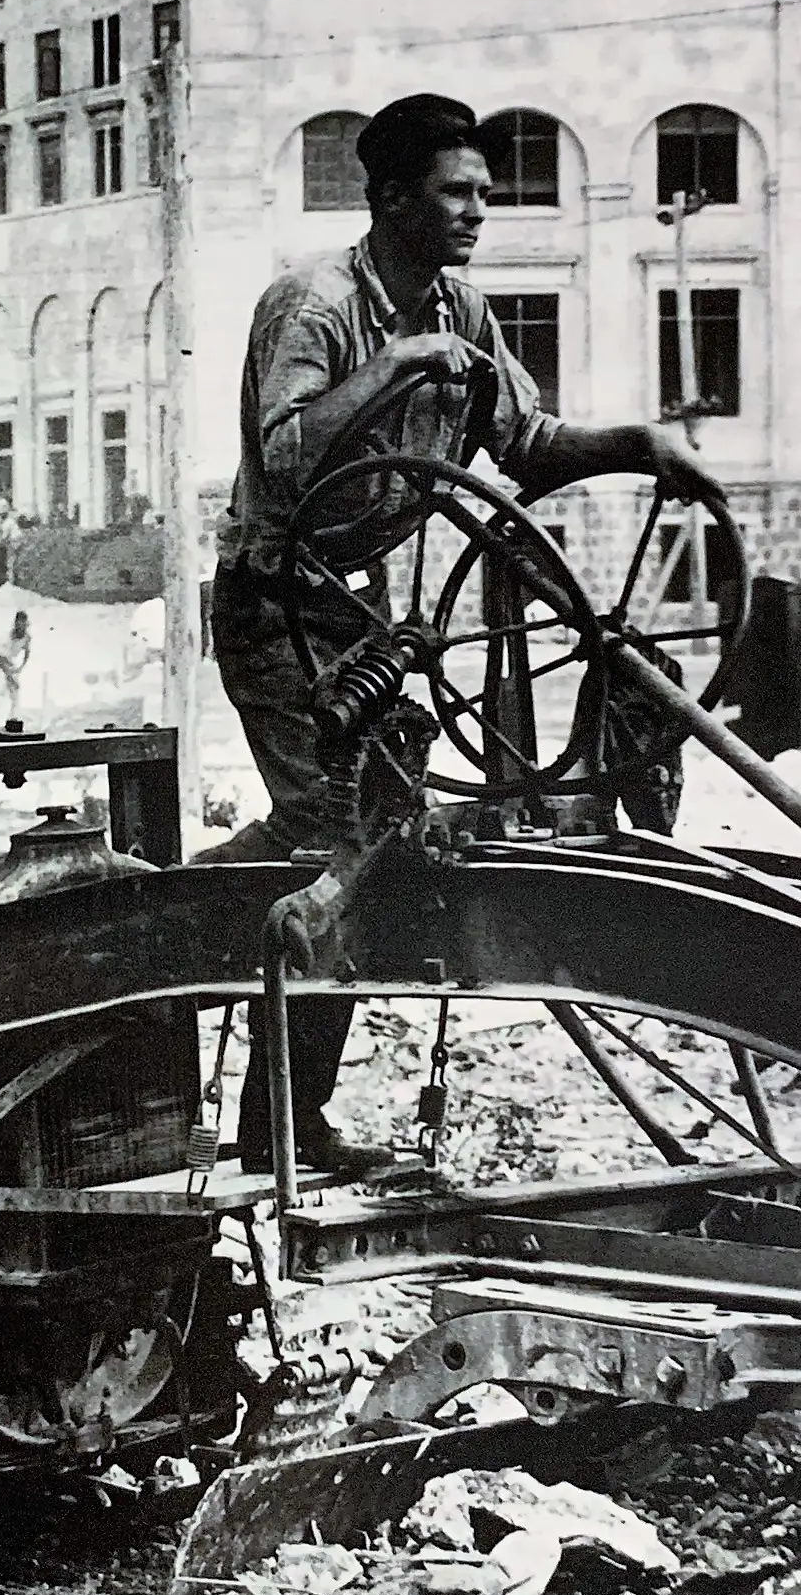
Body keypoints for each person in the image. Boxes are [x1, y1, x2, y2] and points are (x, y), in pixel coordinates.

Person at [213, 92, 722, 1170]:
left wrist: (636, 445)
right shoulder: (313, 304)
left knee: (366, 833)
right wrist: (401, 362)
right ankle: (257, 1096)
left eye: (485, 193)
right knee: (349, 837)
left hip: (356, 617)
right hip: (274, 610)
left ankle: (191, 927)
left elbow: (526, 444)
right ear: (393, 198)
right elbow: (290, 455)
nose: (479, 211)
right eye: (457, 193)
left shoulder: (463, 311)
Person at [0, 609, 34, 732]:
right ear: (15, 624)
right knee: (2, 690)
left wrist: (20, 668)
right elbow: (1, 659)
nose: (21, 627)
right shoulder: (6, 637)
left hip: (9, 663)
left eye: (23, 624)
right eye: (18, 623)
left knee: (15, 691)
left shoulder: (27, 637)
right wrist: (10, 677)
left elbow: (27, 653)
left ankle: (13, 721)